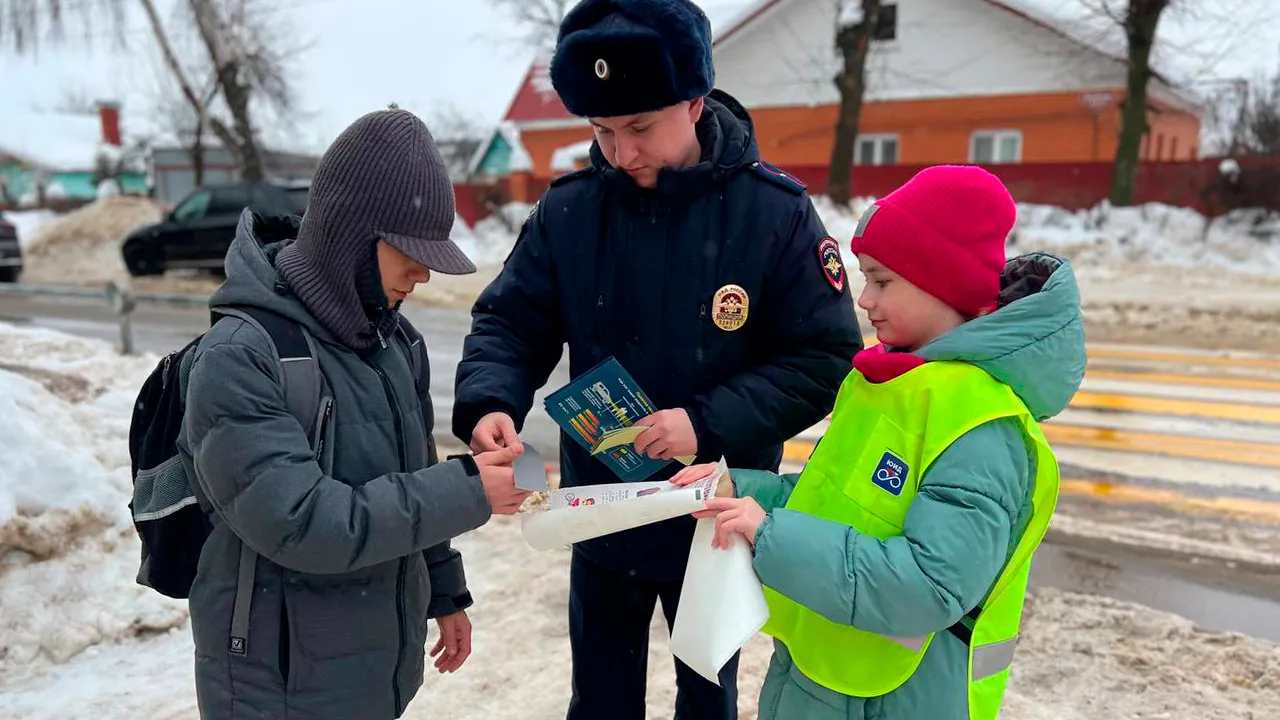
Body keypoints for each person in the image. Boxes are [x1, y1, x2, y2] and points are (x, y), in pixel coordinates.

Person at [452, 0, 863, 717]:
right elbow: (510, 323)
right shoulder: (571, 211)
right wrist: (491, 399)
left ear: (695, 102)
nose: (621, 153)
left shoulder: (773, 214)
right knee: (600, 700)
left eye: (640, 128)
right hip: (600, 514)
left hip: (714, 517)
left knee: (707, 697)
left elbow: (823, 359)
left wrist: (703, 423)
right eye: (602, 130)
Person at [674, 165, 1086, 720]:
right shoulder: (888, 383)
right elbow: (832, 500)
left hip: (896, 696)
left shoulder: (982, 424)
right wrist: (738, 491)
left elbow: (930, 585)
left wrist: (771, 535)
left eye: (882, 281)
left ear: (942, 282)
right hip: (823, 668)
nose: (864, 300)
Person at [176, 108, 533, 719]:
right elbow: (303, 523)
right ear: (351, 238)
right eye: (409, 253)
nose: (423, 274)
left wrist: (444, 591)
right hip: (275, 688)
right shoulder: (238, 357)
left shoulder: (394, 343)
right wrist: (472, 489)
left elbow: (411, 472)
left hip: (369, 674)